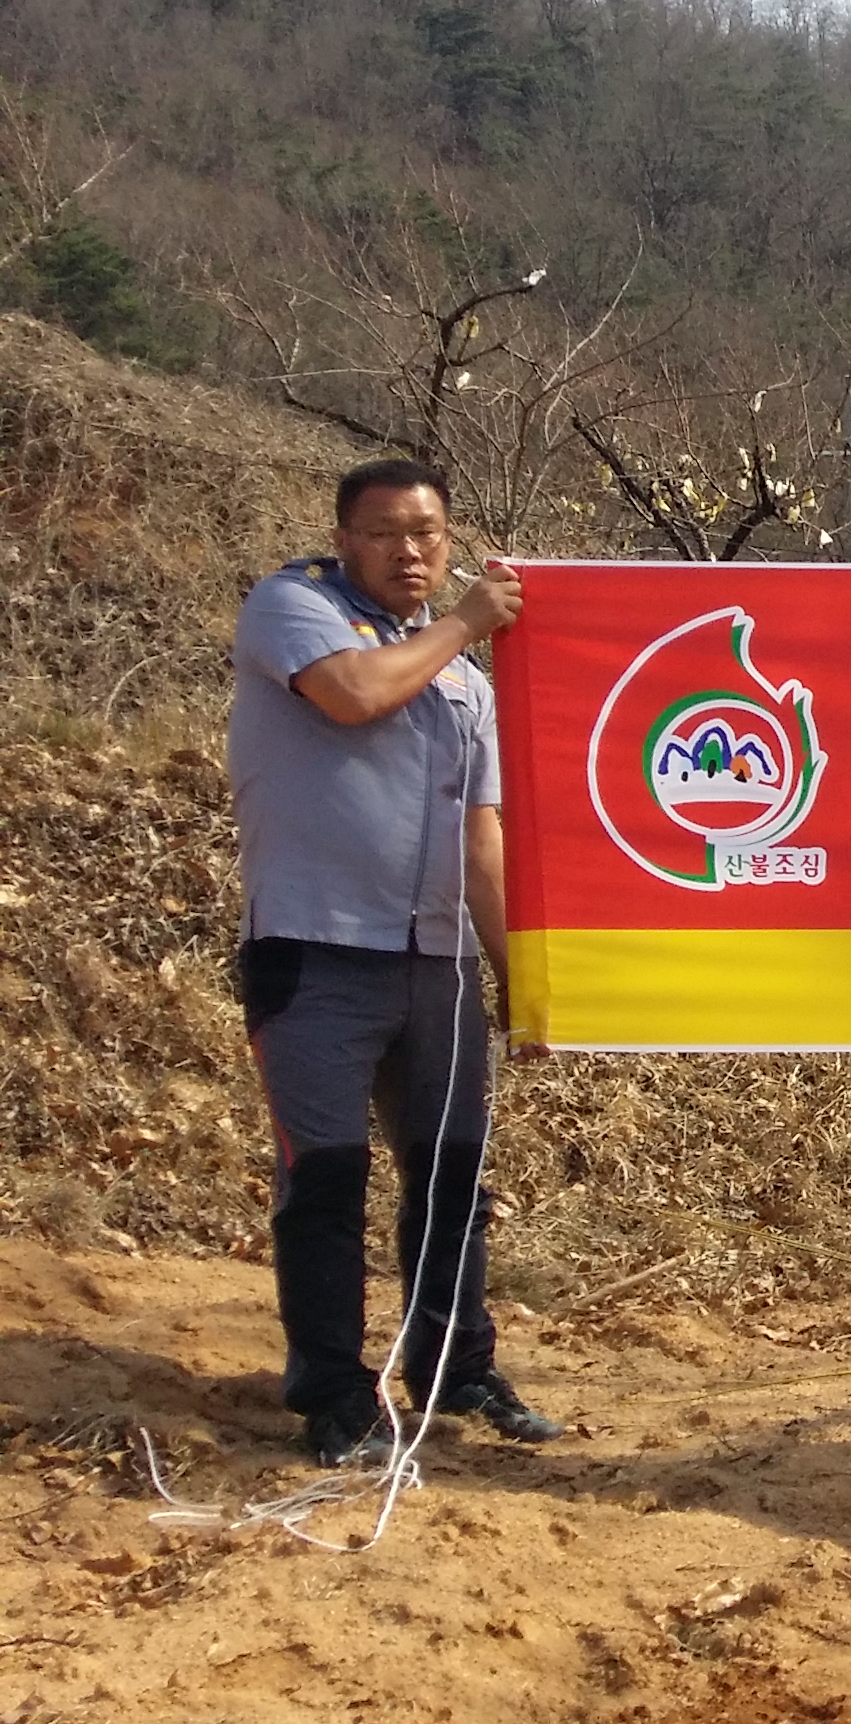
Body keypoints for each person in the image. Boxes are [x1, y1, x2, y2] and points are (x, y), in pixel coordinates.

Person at [229, 456, 562, 1468]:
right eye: (383, 534)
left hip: (436, 963)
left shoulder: (466, 683)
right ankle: (334, 1394)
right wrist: (465, 621)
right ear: (345, 540)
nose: (407, 552)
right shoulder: (296, 609)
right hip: (315, 950)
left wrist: (521, 978)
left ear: (448, 540)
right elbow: (349, 696)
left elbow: (482, 840)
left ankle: (456, 1369)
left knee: (452, 1177)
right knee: (327, 1177)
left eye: (426, 534)